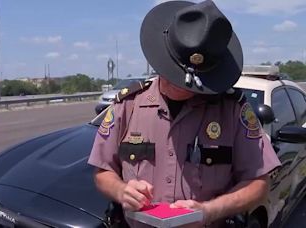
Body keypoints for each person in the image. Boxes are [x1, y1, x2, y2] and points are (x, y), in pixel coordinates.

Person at [88, 0, 281, 227]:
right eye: (173, 74)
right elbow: (103, 172)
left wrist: (209, 210)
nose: (179, 85)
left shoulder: (232, 110)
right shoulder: (128, 105)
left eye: (187, 81)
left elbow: (258, 182)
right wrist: (122, 191)